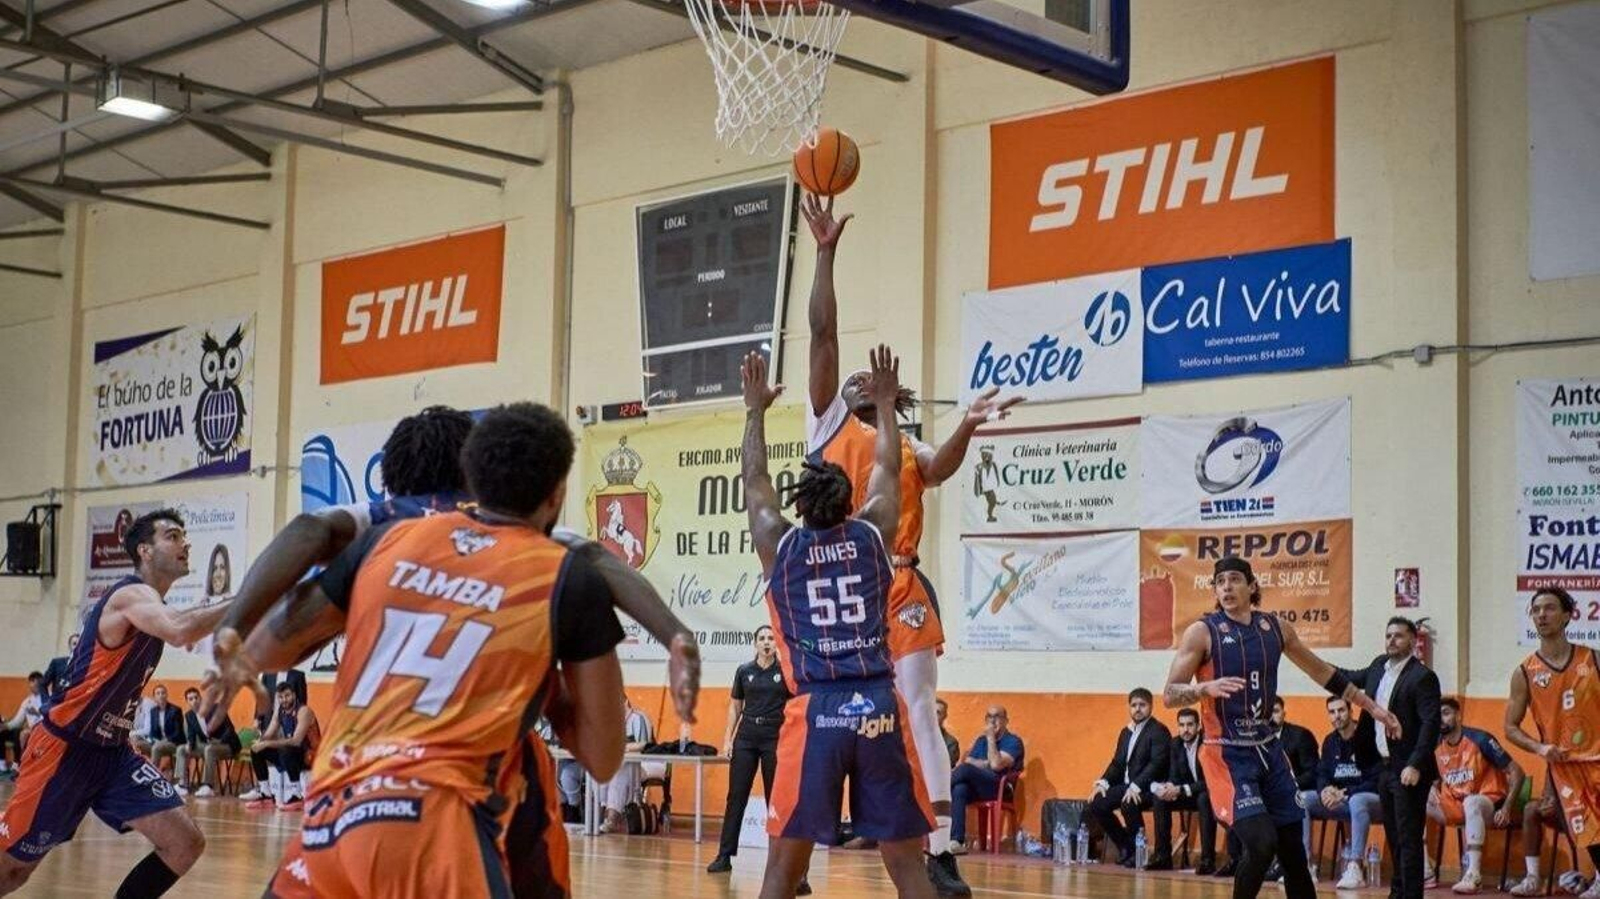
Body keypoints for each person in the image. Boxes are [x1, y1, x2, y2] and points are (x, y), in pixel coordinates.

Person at [248, 401, 627, 899]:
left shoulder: (381, 546)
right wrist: (548, 688)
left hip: (332, 820)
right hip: (440, 828)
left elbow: (264, 648)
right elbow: (602, 758)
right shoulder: (556, 569)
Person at [801, 196, 1019, 896]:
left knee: (919, 707)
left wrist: (971, 424)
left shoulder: (904, 438)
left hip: (896, 581)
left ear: (887, 390)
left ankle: (943, 844)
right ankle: (805, 841)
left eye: (874, 381)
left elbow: (944, 465)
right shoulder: (827, 420)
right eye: (857, 379)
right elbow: (823, 330)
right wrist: (826, 251)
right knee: (826, 712)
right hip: (838, 589)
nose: (860, 379)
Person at [740, 347, 935, 899]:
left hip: (816, 710)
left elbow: (755, 480)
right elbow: (891, 468)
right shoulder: (874, 534)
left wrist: (754, 410)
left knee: (782, 873)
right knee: (908, 870)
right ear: (852, 499)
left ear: (799, 507)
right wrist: (887, 406)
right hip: (876, 704)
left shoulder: (781, 548)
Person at [0, 509, 234, 897]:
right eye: (173, 536)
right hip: (66, 748)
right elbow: (181, 629)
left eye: (184, 536)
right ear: (144, 549)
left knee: (184, 843)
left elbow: (187, 628)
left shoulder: (154, 605)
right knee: (11, 873)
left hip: (113, 753)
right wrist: (258, 591)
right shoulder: (129, 595)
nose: (185, 543)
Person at [1163, 556, 1400, 899]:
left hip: (1268, 751)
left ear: (1252, 586)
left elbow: (1323, 672)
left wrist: (1373, 708)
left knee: (1294, 853)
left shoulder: (1275, 629)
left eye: (1234, 579)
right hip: (1225, 753)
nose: (1226, 587)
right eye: (1220, 582)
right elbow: (1170, 694)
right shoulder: (1203, 632)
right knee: (1261, 844)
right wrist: (1201, 689)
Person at [1335, 617, 1443, 899]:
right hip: (1381, 767)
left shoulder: (1422, 677)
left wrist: (1416, 764)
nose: (1391, 640)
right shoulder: (1377, 667)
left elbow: (1431, 724)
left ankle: (1411, 896)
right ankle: (1397, 893)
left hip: (1408, 770)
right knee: (1394, 838)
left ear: (1412, 641)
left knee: (1409, 839)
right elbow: (1347, 677)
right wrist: (1316, 666)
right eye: (1388, 635)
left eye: (1398, 635)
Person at [1504, 588, 1600, 899]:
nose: (1542, 614)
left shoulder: (1593, 659)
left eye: (1549, 608)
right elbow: (1510, 727)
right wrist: (1541, 748)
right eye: (1536, 610)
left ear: (1568, 615)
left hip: (1598, 758)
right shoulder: (1524, 672)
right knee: (1588, 831)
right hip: (1565, 768)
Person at [709, 625, 792, 873]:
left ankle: (778, 859)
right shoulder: (744, 671)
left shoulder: (785, 671)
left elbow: (795, 707)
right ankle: (724, 856)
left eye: (770, 638)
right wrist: (727, 740)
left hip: (773, 738)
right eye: (761, 639)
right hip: (745, 738)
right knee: (736, 797)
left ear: (775, 643)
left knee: (774, 801)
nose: (766, 642)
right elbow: (735, 707)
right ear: (755, 644)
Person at [1425, 697, 1524, 893]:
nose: (1441, 719)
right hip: (1457, 805)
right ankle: (1424, 871)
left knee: (1472, 802)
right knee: (1414, 798)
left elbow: (1517, 772)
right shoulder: (1435, 746)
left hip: (1489, 804)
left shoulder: (1481, 739)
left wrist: (1506, 807)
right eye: (1438, 715)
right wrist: (1429, 788)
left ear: (1459, 716)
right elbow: (1433, 779)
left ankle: (1474, 874)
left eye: (1446, 713)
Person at [1298, 695, 1383, 890]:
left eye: (1341, 710)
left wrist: (1345, 793)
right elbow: (1321, 772)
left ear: (1351, 711)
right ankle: (1304, 866)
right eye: (1332, 712)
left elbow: (1377, 780)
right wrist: (1325, 790)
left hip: (1370, 801)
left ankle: (1355, 866)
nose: (1337, 716)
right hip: (1339, 801)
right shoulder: (1330, 741)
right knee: (1303, 799)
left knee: (1357, 800)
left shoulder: (1368, 738)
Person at [1088, 688, 1170, 867]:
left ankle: (1139, 852)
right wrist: (1103, 782)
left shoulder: (1159, 731)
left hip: (1150, 787)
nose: (1137, 709)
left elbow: (1157, 765)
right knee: (1097, 803)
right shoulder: (1126, 732)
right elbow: (1117, 763)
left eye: (1142, 705)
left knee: (1128, 803)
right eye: (1133, 705)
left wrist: (1136, 786)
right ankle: (1126, 846)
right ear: (1129, 707)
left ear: (1151, 706)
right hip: (1127, 786)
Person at [1150, 707, 1217, 873]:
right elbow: (1174, 775)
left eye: (1190, 725)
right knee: (1160, 799)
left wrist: (1181, 788)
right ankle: (1163, 857)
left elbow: (1210, 781)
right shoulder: (1175, 744)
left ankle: (1207, 860)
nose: (1185, 730)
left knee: (1204, 798)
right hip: (1186, 793)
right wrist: (1170, 788)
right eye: (1181, 725)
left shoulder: (1208, 743)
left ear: (1198, 726)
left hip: (1208, 793)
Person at [950, 706, 1025, 854]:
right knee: (960, 789)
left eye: (997, 716)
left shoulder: (1013, 741)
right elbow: (969, 760)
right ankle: (956, 841)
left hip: (1000, 788)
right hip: (981, 786)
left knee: (964, 770)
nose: (992, 721)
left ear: (1006, 721)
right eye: (989, 717)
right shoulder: (980, 741)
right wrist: (986, 763)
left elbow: (996, 765)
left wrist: (991, 738)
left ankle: (935, 792)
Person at [239, 683, 319, 811]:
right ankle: (266, 795)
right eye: (280, 697)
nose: (284, 700)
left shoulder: (304, 711)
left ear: (294, 695)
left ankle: (297, 795)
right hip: (291, 755)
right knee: (257, 750)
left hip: (309, 756)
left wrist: (267, 743)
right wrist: (258, 741)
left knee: (286, 749)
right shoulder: (280, 711)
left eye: (287, 696)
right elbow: (269, 734)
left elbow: (296, 741)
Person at [596, 691, 658, 834]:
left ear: (625, 703)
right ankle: (601, 814)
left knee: (620, 771)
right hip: (623, 763)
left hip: (648, 763)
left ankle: (612, 818)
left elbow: (643, 744)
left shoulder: (639, 718)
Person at [1508, 776, 1574, 896]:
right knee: (1530, 809)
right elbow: (1549, 793)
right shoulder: (1555, 761)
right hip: (1562, 812)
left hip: (1586, 808)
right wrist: (1548, 800)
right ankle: (1533, 879)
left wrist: (1562, 802)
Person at [176, 686, 238, 797]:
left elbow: (230, 729)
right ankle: (182, 785)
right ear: (187, 702)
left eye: (196, 697)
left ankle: (208, 786)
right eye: (190, 699)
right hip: (208, 746)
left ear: (201, 698)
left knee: (210, 749)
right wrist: (190, 744)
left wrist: (219, 742)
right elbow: (191, 734)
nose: (194, 701)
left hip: (227, 745)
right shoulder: (189, 715)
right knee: (181, 749)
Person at [0, 673, 45, 778]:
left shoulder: (48, 697)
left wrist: (38, 713)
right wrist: (5, 726)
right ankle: (4, 765)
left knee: (22, 734)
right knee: (9, 732)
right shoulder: (27, 701)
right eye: (32, 682)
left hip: (44, 729)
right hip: (31, 729)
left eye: (36, 682)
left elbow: (51, 717)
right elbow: (17, 721)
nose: (34, 684)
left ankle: (21, 765)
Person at [144, 685, 186, 783]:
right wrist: (151, 739)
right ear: (154, 697)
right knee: (139, 744)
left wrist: (164, 741)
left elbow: (178, 732)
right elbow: (153, 731)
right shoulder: (153, 711)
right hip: (159, 742)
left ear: (166, 695)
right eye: (158, 693)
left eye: (163, 693)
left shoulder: (175, 710)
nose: (161, 695)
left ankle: (152, 779)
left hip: (174, 742)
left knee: (156, 748)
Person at [39, 633, 76, 700]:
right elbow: (42, 684)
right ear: (69, 646)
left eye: (80, 644)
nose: (77, 647)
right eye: (74, 644)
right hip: (58, 705)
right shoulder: (57, 663)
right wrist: (47, 703)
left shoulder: (86, 664)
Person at [937, 699, 960, 768]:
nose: (933, 715)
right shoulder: (916, 737)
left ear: (944, 716)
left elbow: (946, 767)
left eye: (938, 712)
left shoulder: (951, 742)